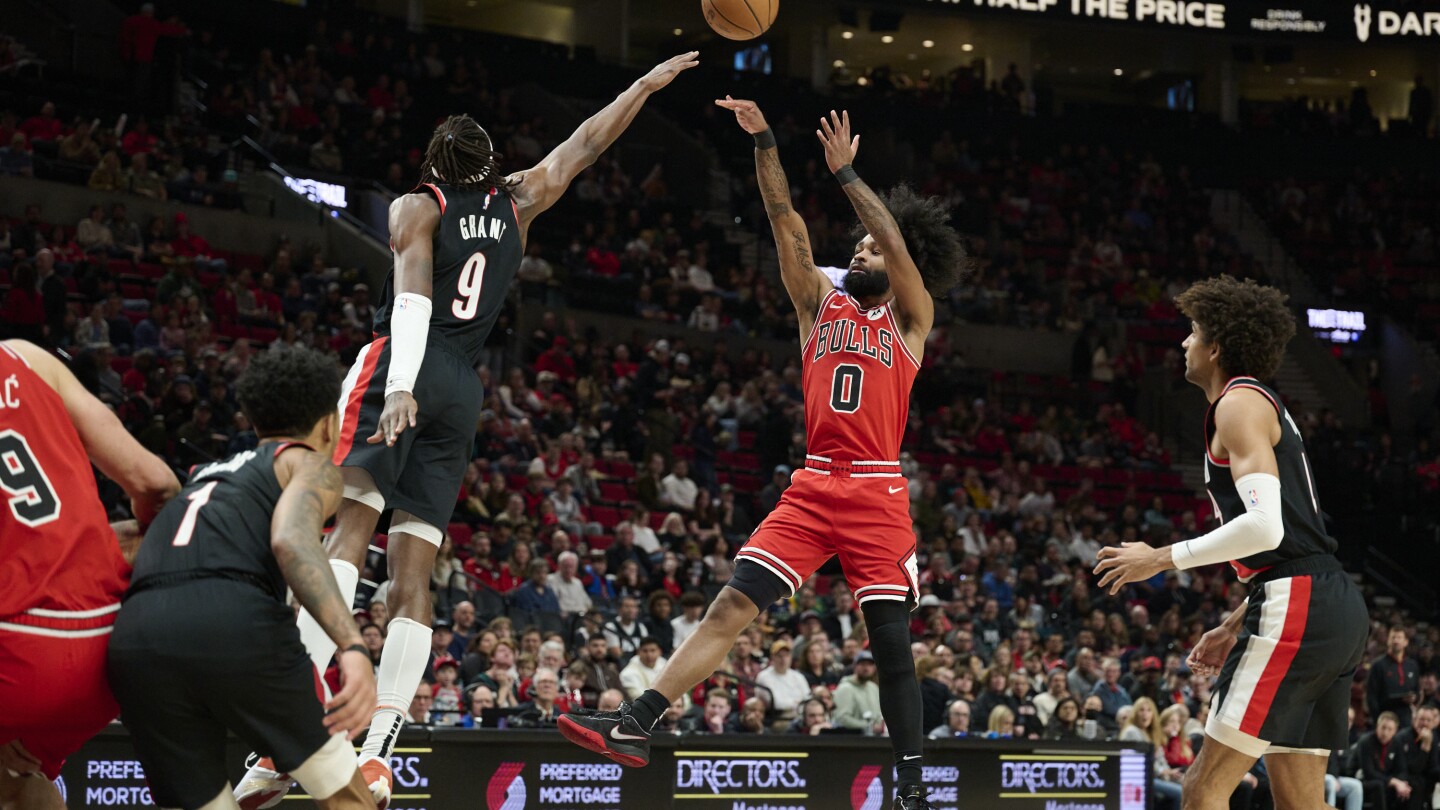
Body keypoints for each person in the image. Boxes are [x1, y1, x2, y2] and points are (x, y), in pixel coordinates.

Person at [244, 51, 699, 808]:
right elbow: (586, 142)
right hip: (463, 387)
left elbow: (412, 300)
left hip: (410, 362)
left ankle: (288, 729)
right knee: (413, 573)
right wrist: (645, 86)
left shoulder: (416, 206)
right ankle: (381, 750)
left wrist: (397, 386)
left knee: (346, 535)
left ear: (434, 166)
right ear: (491, 165)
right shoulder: (519, 200)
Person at [560, 101, 967, 810]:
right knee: (730, 605)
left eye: (871, 249)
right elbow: (785, 220)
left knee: (891, 646)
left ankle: (910, 787)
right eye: (858, 247)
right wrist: (765, 143)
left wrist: (846, 174)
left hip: (875, 491)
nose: (862, 252)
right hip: (813, 484)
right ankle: (635, 723)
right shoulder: (817, 304)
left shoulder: (912, 317)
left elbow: (894, 242)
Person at [1094, 276, 1369, 810]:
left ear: (1216, 346)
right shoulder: (1254, 404)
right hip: (1327, 602)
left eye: (1193, 332)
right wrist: (1235, 622)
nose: (1184, 342)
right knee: (1301, 804)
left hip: (1301, 604)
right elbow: (1293, 548)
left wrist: (1159, 558)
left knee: (1202, 789)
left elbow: (1266, 528)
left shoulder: (1237, 403)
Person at [108, 347, 377, 810]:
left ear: (254, 423)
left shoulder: (200, 479)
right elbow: (291, 540)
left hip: (138, 639)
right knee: (347, 798)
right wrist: (352, 647)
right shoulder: (305, 463)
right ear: (329, 423)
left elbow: (121, 541)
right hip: (234, 619)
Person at [0, 341, 178, 810]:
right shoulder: (28, 358)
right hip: (111, 648)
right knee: (16, 783)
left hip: (16, 651)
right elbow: (159, 486)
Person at [1368, 625, 1420, 728]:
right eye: (1393, 637)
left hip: (1406, 719)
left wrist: (1414, 698)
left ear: (1406, 642)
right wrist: (1377, 720)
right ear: (1388, 641)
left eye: (1399, 637)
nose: (1396, 641)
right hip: (1384, 717)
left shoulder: (1412, 665)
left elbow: (1417, 691)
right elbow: (1371, 696)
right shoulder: (1377, 665)